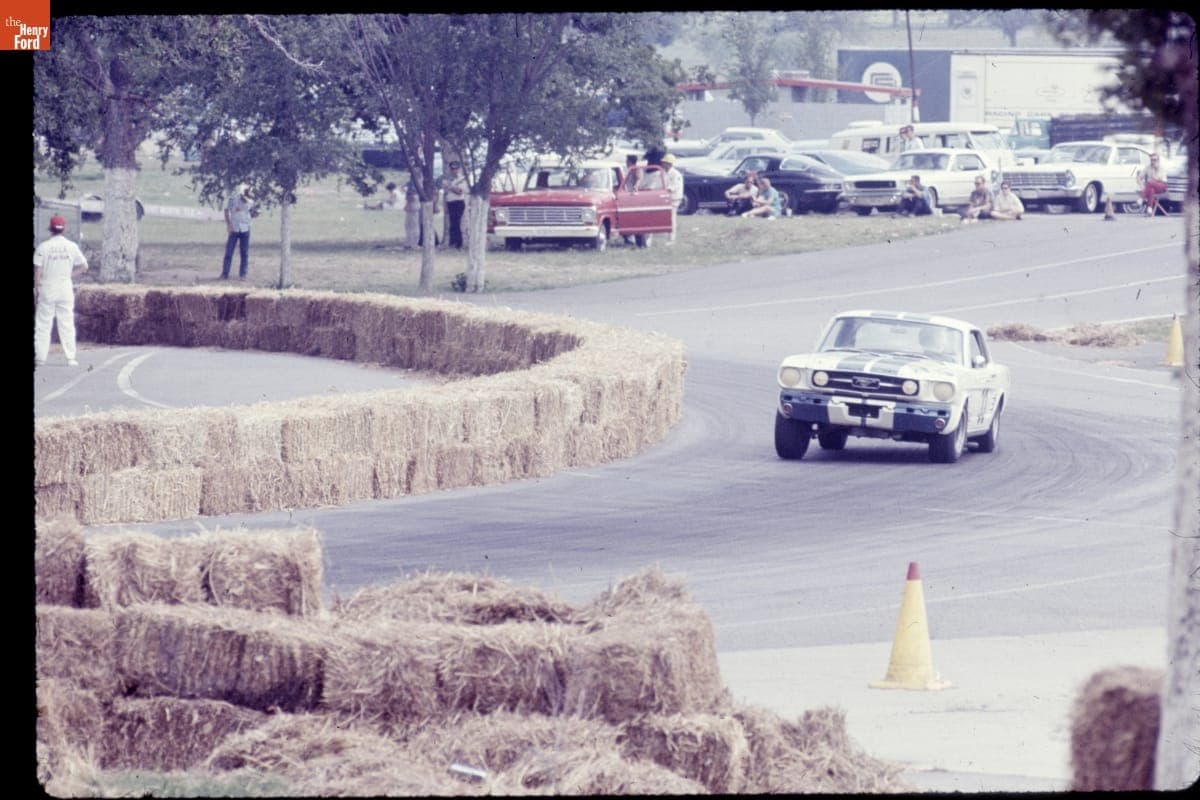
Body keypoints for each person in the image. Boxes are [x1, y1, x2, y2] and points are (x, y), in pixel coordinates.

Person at [34, 215, 88, 368]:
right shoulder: (71, 246)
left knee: (43, 323)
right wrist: (69, 275)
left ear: (50, 229)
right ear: (64, 229)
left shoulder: (43, 247)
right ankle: (71, 357)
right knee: (67, 323)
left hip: (47, 288)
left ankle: (40, 357)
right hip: (65, 288)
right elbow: (84, 266)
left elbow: (38, 270)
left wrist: (36, 288)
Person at [221, 185, 254, 280]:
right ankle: (224, 274)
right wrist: (228, 225)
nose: (246, 197)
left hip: (245, 229)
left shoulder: (251, 201)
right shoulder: (233, 199)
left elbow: (255, 212)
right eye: (245, 195)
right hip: (234, 229)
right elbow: (226, 211)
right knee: (229, 252)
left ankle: (243, 274)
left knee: (244, 253)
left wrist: (253, 216)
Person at [441, 161, 468, 249]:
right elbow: (445, 193)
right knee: (452, 223)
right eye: (452, 169)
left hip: (458, 202)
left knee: (456, 223)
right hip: (450, 202)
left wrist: (449, 186)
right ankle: (452, 242)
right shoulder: (447, 179)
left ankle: (458, 244)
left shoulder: (462, 179)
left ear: (459, 169)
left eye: (456, 169)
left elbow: (459, 192)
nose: (454, 171)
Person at [661, 153, 684, 244]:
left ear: (669, 163)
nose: (663, 164)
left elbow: (672, 187)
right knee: (667, 218)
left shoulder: (675, 174)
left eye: (665, 162)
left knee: (671, 218)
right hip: (667, 198)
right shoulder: (665, 173)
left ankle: (672, 238)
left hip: (674, 198)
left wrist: (664, 192)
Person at [403, 175, 420, 248]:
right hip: (412, 202)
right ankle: (409, 242)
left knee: (413, 224)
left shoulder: (414, 182)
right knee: (408, 224)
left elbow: (412, 194)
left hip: (413, 203)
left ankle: (413, 243)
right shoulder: (410, 182)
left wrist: (408, 204)